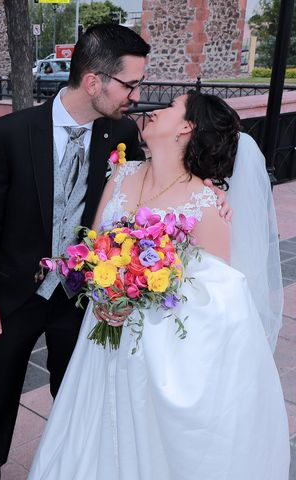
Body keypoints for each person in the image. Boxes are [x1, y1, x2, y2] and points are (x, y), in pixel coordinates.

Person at [0, 24, 232, 479]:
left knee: (76, 392)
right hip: (13, 295)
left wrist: (207, 185)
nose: (137, 94)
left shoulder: (124, 131)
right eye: (130, 84)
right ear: (94, 82)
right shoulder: (10, 133)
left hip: (86, 298)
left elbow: (160, 178)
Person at [28, 92, 289, 479]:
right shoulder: (122, 173)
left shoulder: (206, 204)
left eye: (169, 108)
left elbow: (218, 299)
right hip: (101, 334)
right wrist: (104, 289)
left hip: (153, 352)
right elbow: (93, 243)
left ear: (186, 128)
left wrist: (144, 294)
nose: (153, 111)